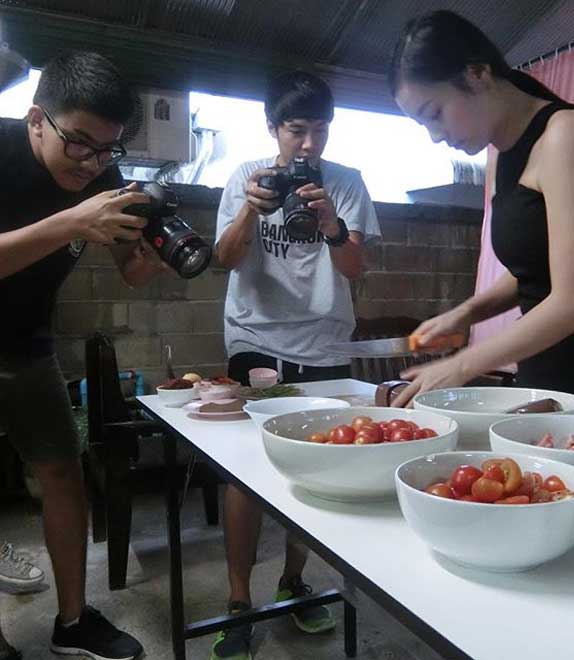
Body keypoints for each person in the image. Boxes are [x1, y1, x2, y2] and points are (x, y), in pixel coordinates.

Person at [387, 10, 574, 423]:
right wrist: (467, 313)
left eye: (435, 113)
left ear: (477, 73)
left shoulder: (567, 134)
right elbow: (536, 268)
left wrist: (461, 364)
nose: (436, 136)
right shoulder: (500, 153)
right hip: (545, 377)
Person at [0, 50, 167, 660]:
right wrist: (72, 221)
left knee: (65, 473)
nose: (94, 162)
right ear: (37, 118)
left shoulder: (97, 177)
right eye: (80, 143)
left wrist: (148, 254)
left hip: (27, 344)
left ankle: (72, 622)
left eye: (108, 149)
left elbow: (132, 273)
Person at [213, 70, 380, 659]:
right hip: (255, 336)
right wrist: (250, 212)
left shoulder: (349, 183)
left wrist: (333, 223)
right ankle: (238, 601)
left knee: (317, 467)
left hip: (327, 344)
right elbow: (224, 260)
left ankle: (293, 579)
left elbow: (355, 269)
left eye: (320, 130)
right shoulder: (244, 177)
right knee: (243, 469)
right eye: (297, 130)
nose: (309, 144)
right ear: (273, 129)